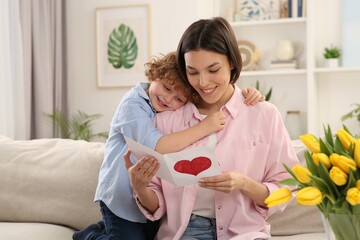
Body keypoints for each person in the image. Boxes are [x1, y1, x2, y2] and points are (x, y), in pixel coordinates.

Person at [125, 17, 300, 240]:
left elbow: (287, 188)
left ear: (233, 63)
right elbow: (156, 198)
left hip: (245, 232)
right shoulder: (168, 120)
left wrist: (243, 183)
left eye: (213, 69)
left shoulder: (263, 115)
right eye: (193, 72)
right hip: (184, 232)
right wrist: (140, 187)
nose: (203, 82)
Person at [73, 51, 264, 240]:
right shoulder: (132, 105)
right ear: (155, 74)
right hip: (122, 197)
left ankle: (101, 229)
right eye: (166, 88)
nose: (168, 99)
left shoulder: (165, 114)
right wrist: (204, 127)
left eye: (179, 99)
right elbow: (158, 146)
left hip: (149, 202)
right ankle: (89, 236)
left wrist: (245, 93)